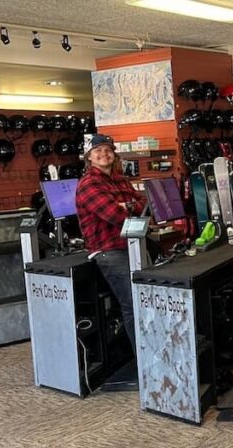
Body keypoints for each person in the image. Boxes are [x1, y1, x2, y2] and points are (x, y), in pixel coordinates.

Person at [76, 134, 146, 352]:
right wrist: (127, 207)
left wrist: (127, 205)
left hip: (134, 245)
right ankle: (143, 362)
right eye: (98, 151)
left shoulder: (120, 179)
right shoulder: (88, 184)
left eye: (108, 150)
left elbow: (145, 203)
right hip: (109, 251)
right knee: (133, 304)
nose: (104, 154)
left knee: (146, 298)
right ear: (89, 157)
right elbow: (115, 215)